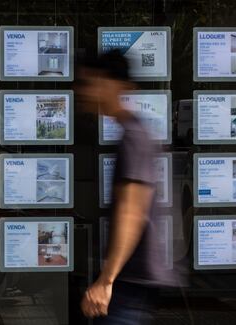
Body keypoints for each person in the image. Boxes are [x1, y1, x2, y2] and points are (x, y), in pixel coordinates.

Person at [77, 50, 175, 324]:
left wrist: (105, 282)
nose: (83, 91)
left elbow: (131, 213)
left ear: (113, 84)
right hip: (131, 281)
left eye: (89, 82)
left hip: (129, 284)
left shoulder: (133, 138)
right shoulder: (133, 133)